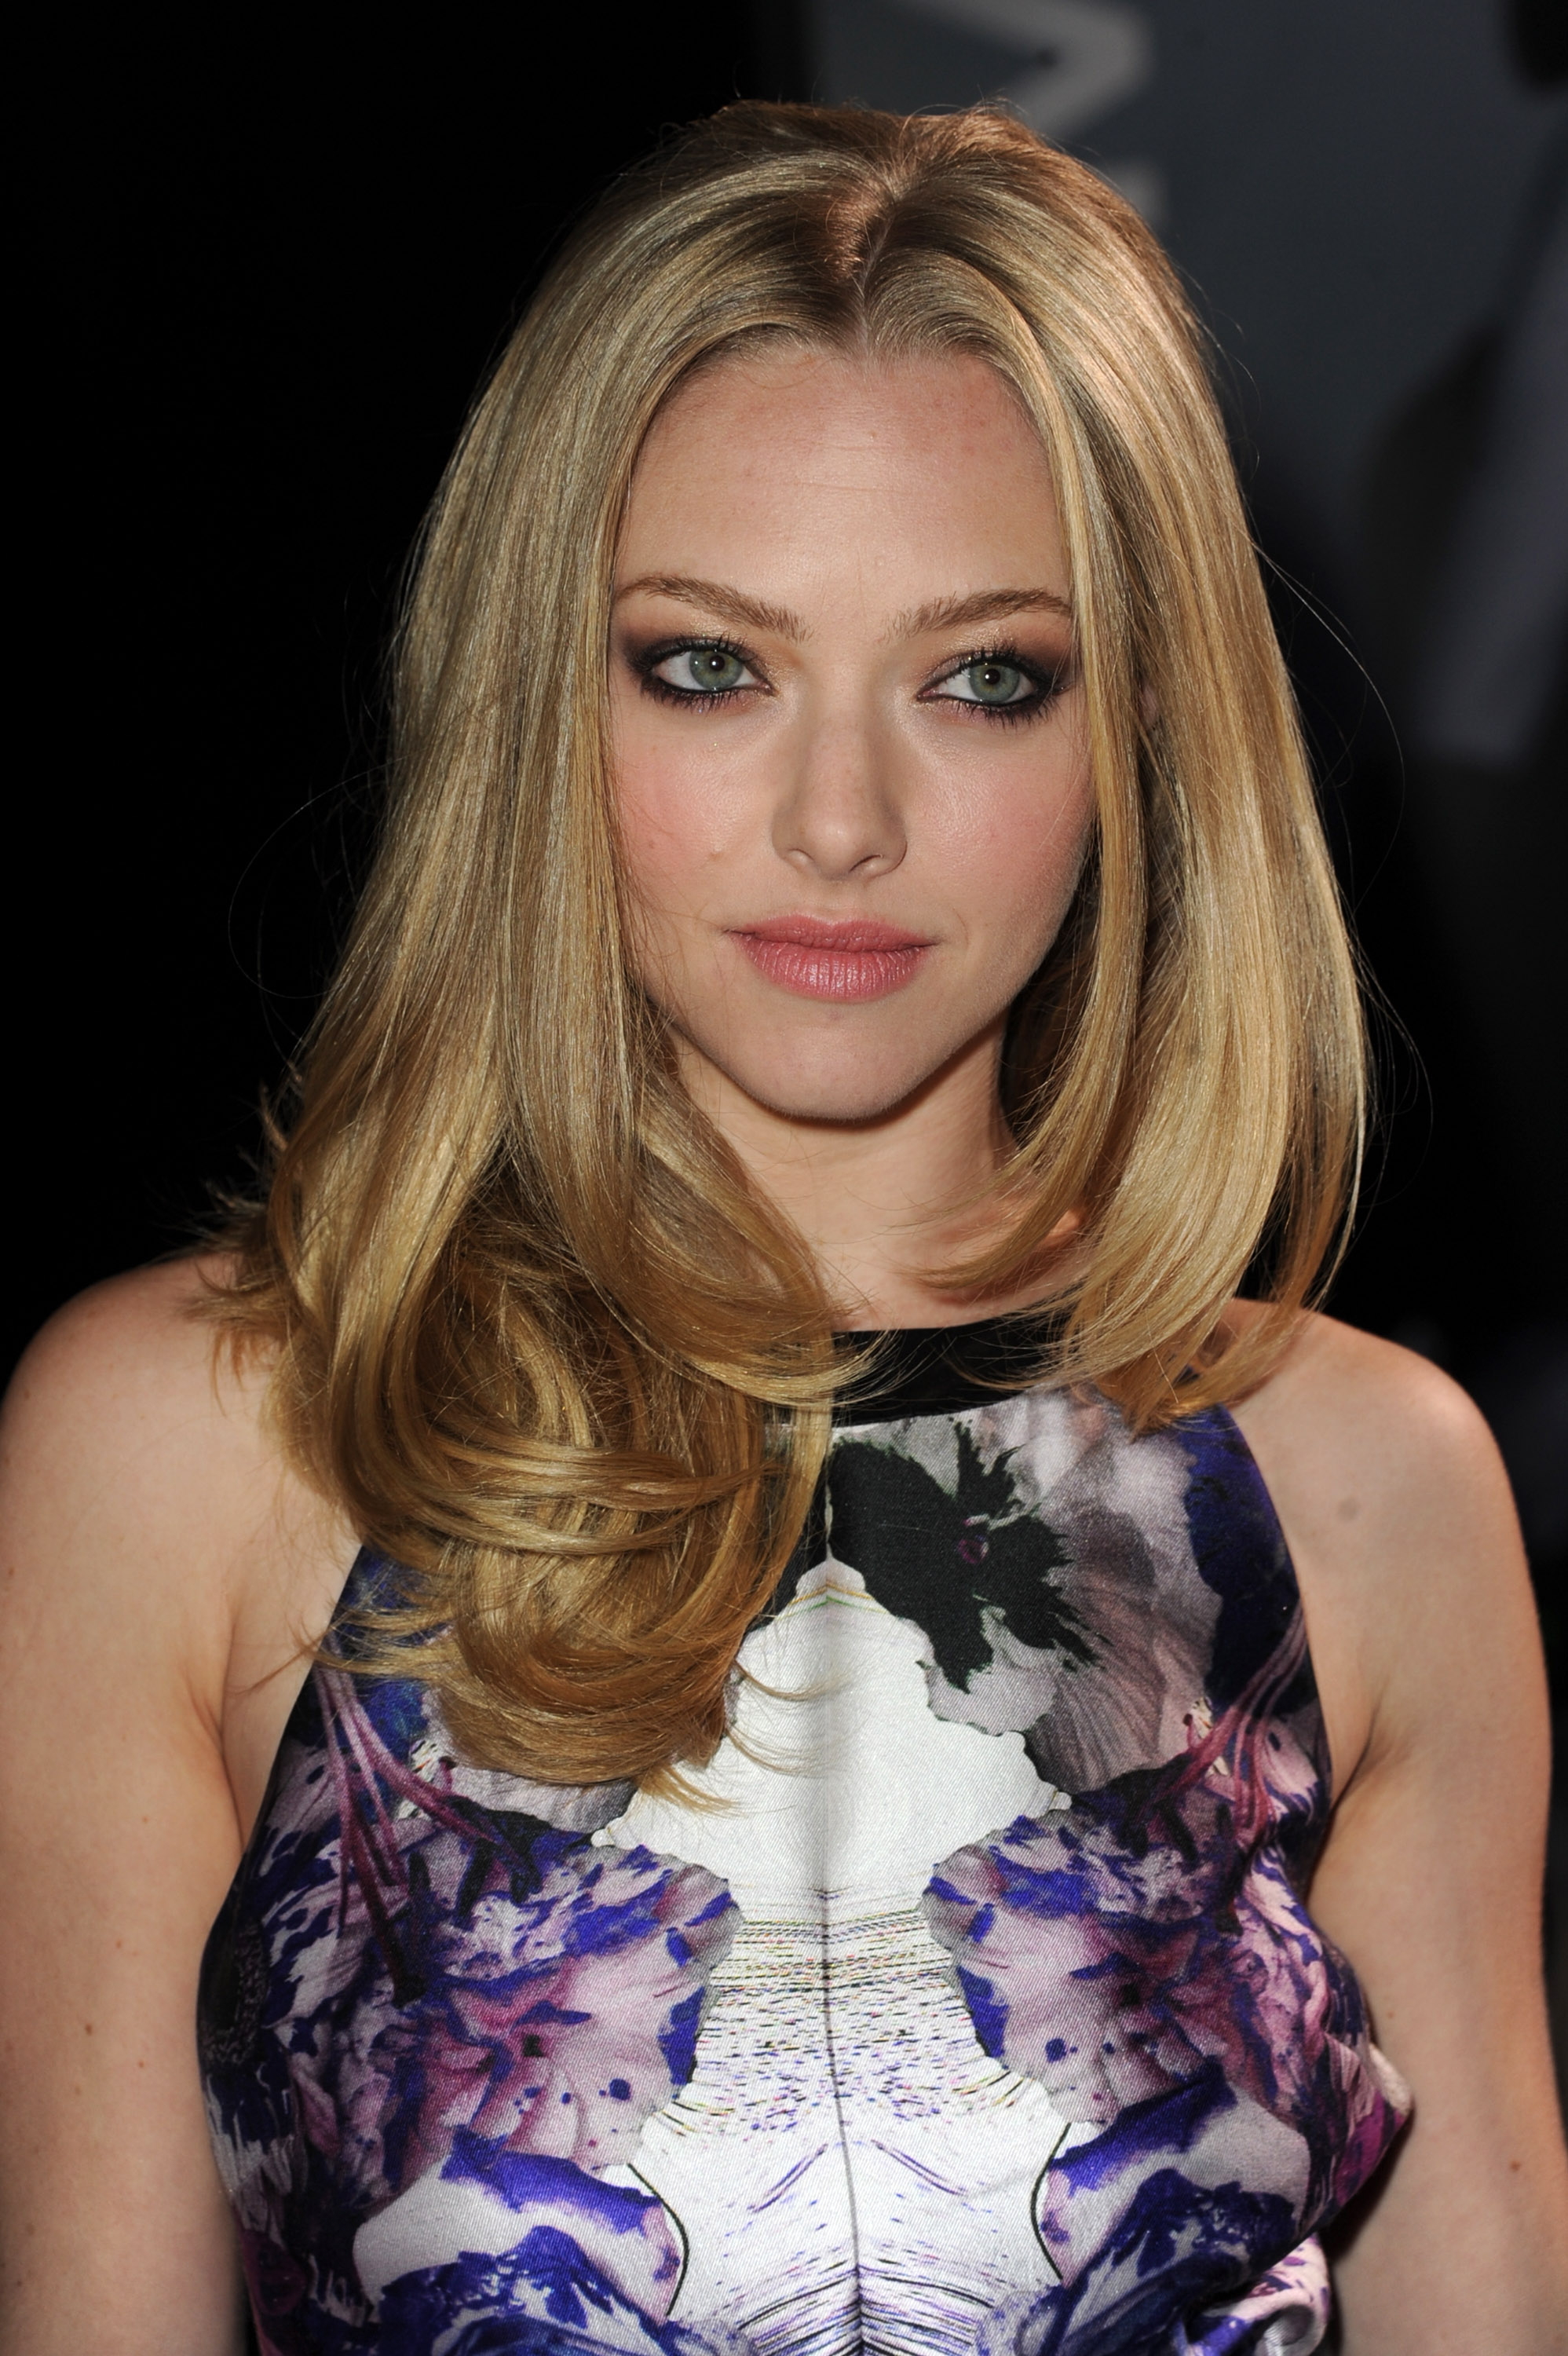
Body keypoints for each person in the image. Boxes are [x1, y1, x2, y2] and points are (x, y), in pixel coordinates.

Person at [1, 103, 1562, 2356]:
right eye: (708, 665)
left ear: (1142, 726)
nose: (841, 820)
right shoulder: (195, 1451)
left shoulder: (1366, 1486)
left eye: (984, 676)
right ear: (538, 691)